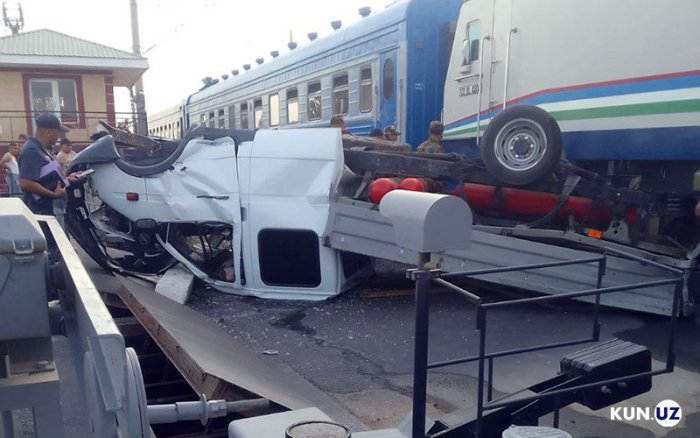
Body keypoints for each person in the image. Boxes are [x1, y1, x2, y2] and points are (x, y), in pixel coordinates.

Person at [18, 114, 78, 215]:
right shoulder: (32, 151)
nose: (59, 137)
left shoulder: (41, 149)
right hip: (41, 211)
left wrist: (67, 179)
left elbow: (45, 178)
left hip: (50, 210)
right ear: (49, 132)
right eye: (58, 132)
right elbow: (26, 182)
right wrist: (53, 194)